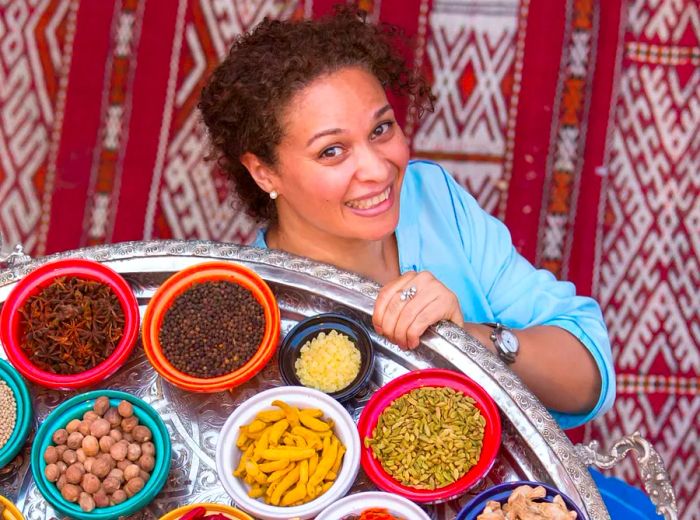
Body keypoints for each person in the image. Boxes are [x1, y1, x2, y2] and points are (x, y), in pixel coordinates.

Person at [198, 7, 662, 519]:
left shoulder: (432, 198)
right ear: (264, 171)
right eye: (332, 152)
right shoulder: (251, 318)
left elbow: (585, 379)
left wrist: (472, 336)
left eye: (382, 129)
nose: (377, 169)